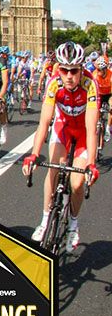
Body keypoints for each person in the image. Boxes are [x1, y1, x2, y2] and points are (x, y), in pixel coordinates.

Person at [22, 42, 99, 251]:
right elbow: (44, 122)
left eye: (74, 71)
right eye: (64, 70)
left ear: (82, 69)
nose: (69, 76)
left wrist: (91, 164)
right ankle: (45, 219)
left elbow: (91, 129)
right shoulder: (54, 84)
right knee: (54, 168)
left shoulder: (90, 85)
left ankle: (73, 224)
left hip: (82, 132)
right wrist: (34, 154)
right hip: (62, 128)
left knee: (76, 183)